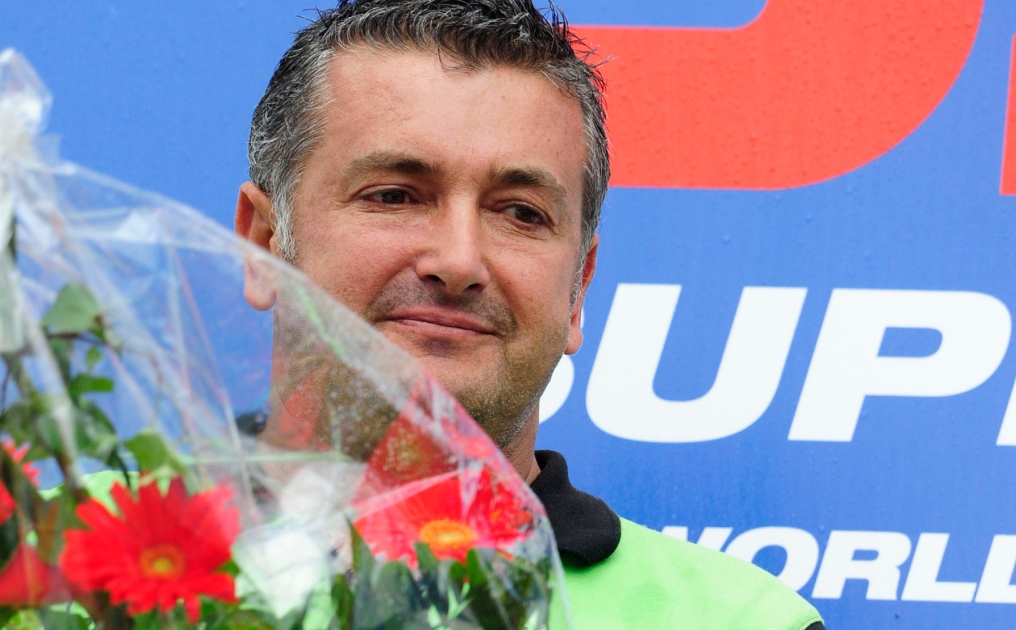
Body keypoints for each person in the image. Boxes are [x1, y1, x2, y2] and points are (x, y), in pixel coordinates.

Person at [234, 1, 826, 628]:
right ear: (264, 244)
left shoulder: (738, 620)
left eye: (520, 213)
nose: (459, 261)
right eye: (395, 196)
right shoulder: (149, 551)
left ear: (578, 288)